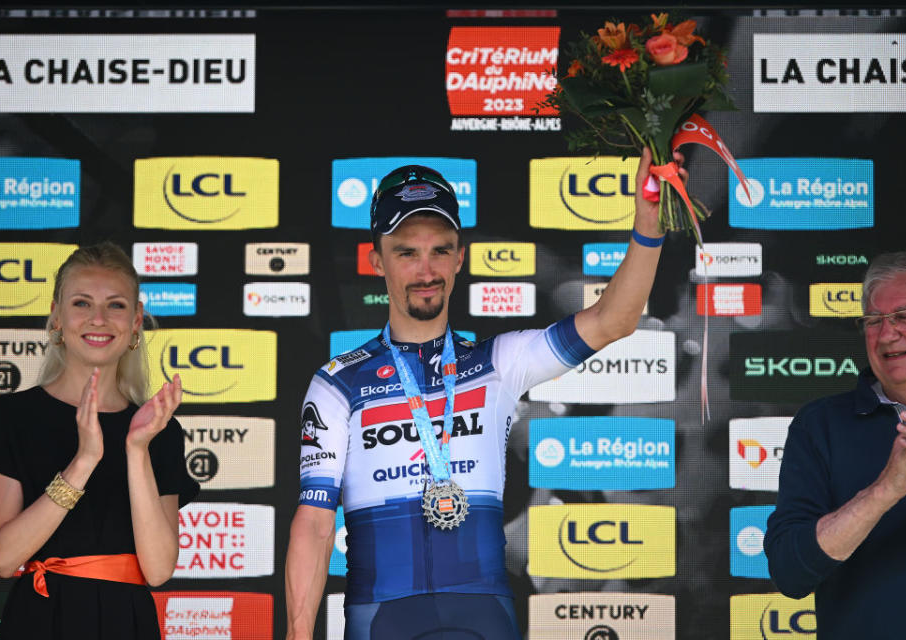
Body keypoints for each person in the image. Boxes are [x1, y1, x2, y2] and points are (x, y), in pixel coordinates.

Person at [285, 148, 681, 640]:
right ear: (376, 260)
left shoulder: (497, 362)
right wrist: (300, 633)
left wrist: (648, 225)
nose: (425, 269)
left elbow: (613, 320)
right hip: (382, 621)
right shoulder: (337, 383)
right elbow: (316, 524)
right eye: (407, 251)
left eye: (440, 250)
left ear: (459, 258)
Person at [0, 242, 199, 640]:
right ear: (56, 317)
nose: (98, 319)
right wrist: (84, 461)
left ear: (136, 322)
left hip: (127, 624)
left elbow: (159, 570)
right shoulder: (10, 418)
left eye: (115, 305)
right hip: (39, 620)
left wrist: (136, 449)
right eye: (81, 303)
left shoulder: (159, 430)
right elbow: (4, 558)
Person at [764, 250, 906, 638]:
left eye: (904, 316)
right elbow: (789, 573)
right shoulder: (820, 425)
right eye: (873, 320)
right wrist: (884, 492)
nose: (887, 334)